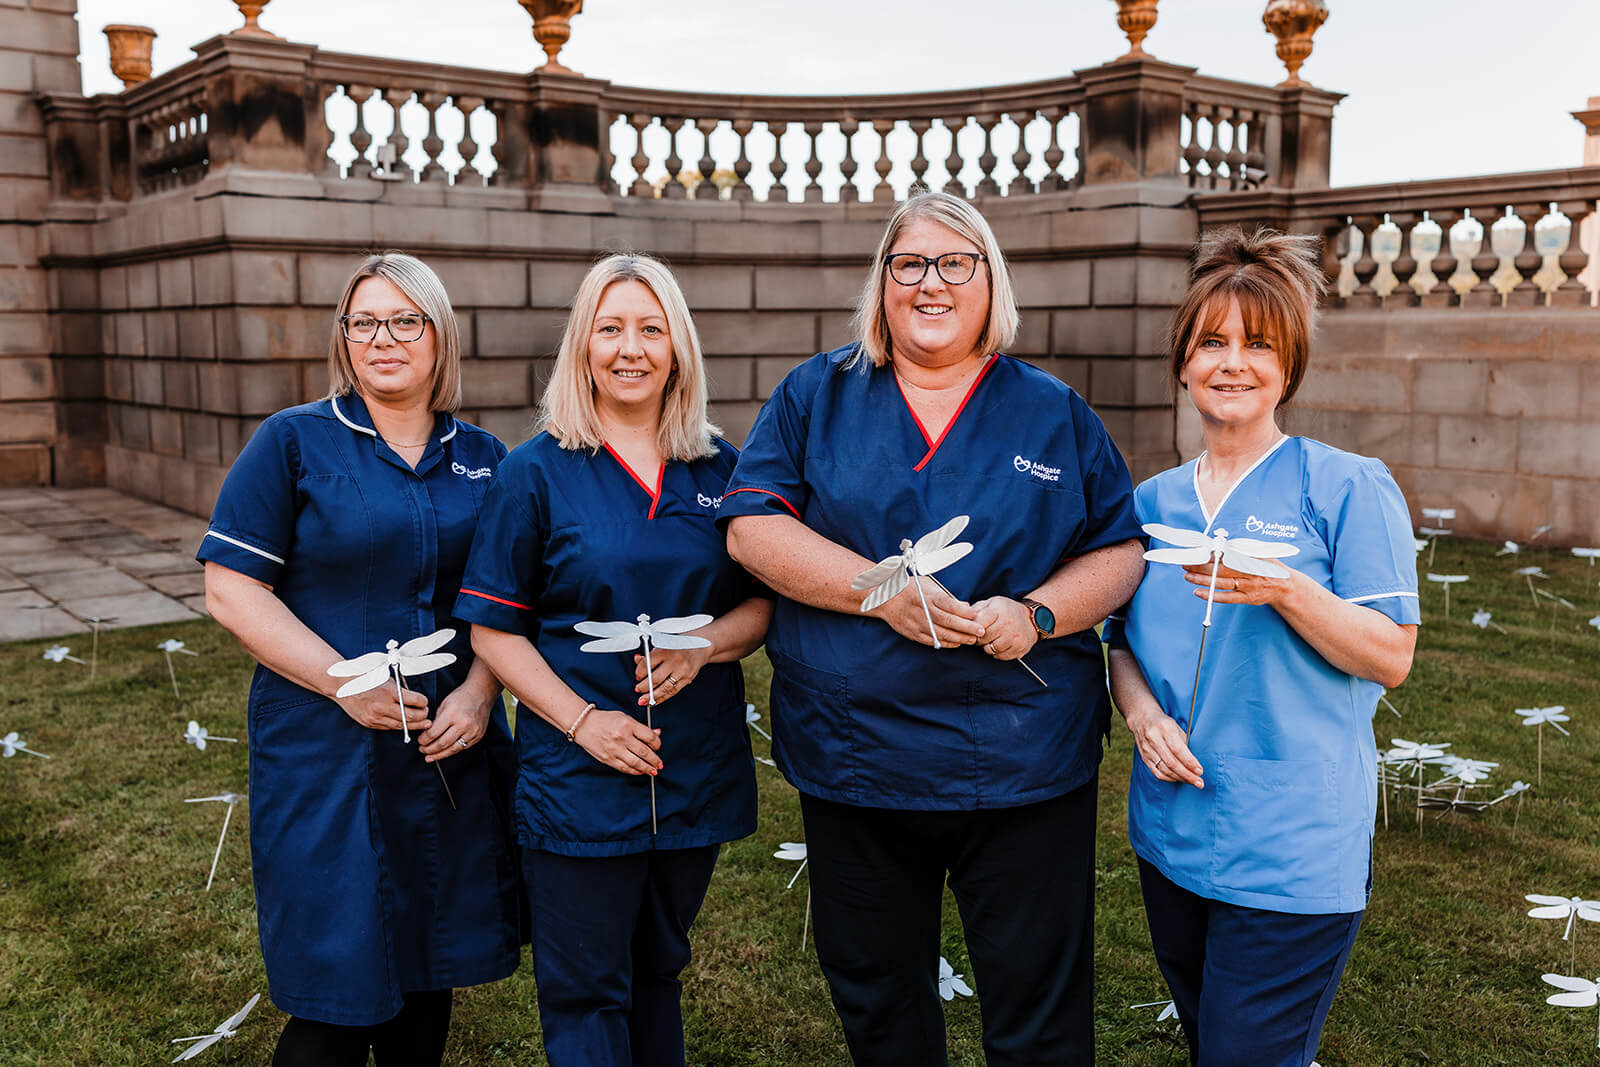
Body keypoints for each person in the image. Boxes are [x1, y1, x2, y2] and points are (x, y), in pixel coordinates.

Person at [720, 190, 1146, 1067]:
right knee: (880, 1003)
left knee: (1039, 1010)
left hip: (1025, 763)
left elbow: (1120, 550)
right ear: (881, 284)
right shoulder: (816, 395)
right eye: (908, 263)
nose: (931, 283)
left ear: (991, 282)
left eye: (956, 262)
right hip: (859, 760)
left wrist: (1037, 614)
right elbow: (752, 527)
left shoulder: (1053, 410)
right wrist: (880, 592)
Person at [1105, 228, 1419, 1067]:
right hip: (1171, 836)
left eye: (1257, 344)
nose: (1232, 362)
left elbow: (1391, 654)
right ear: (1183, 361)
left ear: (1289, 365)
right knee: (1216, 1043)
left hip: (1292, 848)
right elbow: (1121, 647)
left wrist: (1286, 587)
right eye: (1212, 342)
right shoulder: (1149, 504)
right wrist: (1140, 716)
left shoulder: (1346, 485)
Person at [198, 253, 520, 1067]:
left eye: (405, 320)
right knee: (336, 988)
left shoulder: (484, 456)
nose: (384, 338)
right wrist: (349, 684)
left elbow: (509, 599)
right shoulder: (293, 442)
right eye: (365, 321)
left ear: (438, 336)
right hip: (325, 745)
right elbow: (231, 590)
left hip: (447, 742)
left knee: (428, 962)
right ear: (344, 336)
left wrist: (481, 695)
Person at [455, 253, 770, 1067]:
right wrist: (584, 722)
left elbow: (764, 600)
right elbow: (493, 629)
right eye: (611, 328)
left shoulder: (721, 469)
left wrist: (703, 646)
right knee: (588, 990)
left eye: (651, 328)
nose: (631, 348)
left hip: (691, 766)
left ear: (678, 347)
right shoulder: (534, 473)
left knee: (659, 967)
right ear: (582, 345)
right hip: (579, 776)